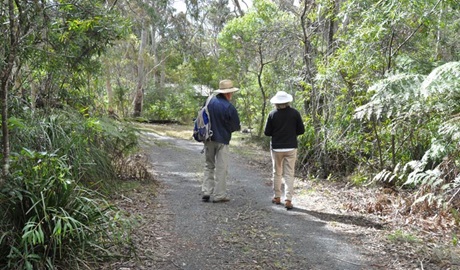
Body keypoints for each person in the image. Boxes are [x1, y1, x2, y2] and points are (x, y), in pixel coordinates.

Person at [264, 91, 305, 210]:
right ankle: (288, 199)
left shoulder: (272, 114)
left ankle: (277, 196)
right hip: (291, 147)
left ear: (276, 103)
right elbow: (301, 130)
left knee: (277, 172)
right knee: (289, 173)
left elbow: (267, 132)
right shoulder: (295, 113)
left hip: (276, 148)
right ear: (287, 101)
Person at [202, 80, 241, 203]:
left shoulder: (209, 102)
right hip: (222, 140)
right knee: (221, 168)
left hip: (208, 138)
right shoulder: (229, 107)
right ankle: (219, 195)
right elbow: (235, 126)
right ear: (228, 94)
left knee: (209, 165)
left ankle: (206, 191)